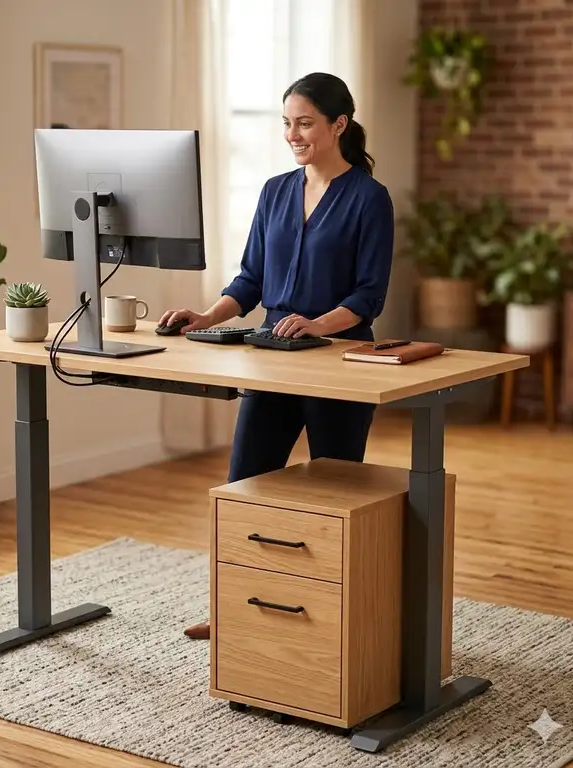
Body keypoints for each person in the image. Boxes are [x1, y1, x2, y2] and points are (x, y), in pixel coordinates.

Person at [158, 72, 395, 640]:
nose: (293, 134)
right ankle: (231, 608)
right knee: (246, 482)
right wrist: (206, 316)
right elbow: (251, 280)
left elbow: (368, 296)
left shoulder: (369, 197)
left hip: (338, 360)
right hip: (273, 356)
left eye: (305, 122)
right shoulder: (274, 191)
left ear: (339, 125)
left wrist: (317, 324)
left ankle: (334, 618)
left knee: (334, 493)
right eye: (287, 123)